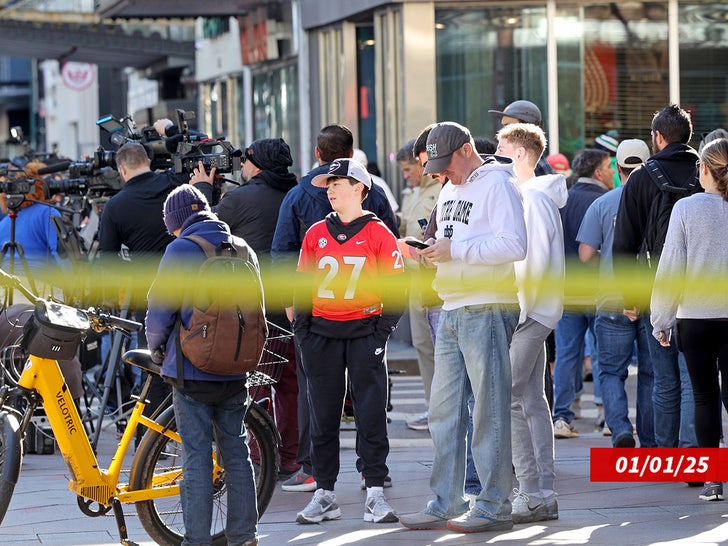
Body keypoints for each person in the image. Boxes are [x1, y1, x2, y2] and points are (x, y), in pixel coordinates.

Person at [399, 121, 526, 533]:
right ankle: (446, 499)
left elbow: (515, 245)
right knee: (445, 411)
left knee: (487, 410)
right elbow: (453, 240)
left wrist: (455, 250)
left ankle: (492, 503)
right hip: (453, 305)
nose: (439, 173)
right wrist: (431, 252)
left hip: (486, 305)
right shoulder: (453, 187)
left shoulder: (497, 185)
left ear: (466, 150)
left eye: (443, 164)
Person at [271, 124, 399, 492]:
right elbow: (389, 243)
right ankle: (371, 469)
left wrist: (294, 308)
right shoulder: (368, 191)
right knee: (369, 396)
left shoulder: (297, 195)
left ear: (317, 153)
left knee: (317, 396)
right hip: (365, 312)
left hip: (321, 312)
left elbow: (282, 252)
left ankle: (312, 468)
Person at [145, 184, 259, 546]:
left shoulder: (180, 249)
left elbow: (160, 311)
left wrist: (157, 350)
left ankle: (197, 541)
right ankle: (244, 538)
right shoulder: (243, 249)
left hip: (192, 373)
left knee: (196, 457)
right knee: (237, 453)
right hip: (236, 369)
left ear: (177, 222)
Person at [292, 158, 404, 524]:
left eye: (338, 182)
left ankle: (374, 490)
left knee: (370, 412)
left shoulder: (379, 233)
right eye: (328, 183)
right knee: (323, 415)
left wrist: (380, 332)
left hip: (364, 331)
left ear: (360, 189)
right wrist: (304, 332)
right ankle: (325, 492)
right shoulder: (315, 233)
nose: (330, 189)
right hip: (322, 333)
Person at [191, 138, 300, 478]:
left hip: (251, 310)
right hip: (294, 304)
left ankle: (255, 456)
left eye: (246, 161)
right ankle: (291, 458)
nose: (241, 166)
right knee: (291, 386)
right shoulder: (297, 194)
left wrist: (204, 192)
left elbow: (203, 232)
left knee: (251, 386)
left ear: (258, 165)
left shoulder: (237, 200)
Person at [613, 104, 699, 450]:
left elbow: (624, 244)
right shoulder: (708, 171)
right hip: (702, 292)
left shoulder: (642, 177)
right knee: (696, 377)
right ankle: (695, 449)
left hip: (655, 290)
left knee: (664, 377)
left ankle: (665, 451)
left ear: (658, 137)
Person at [496, 122, 567, 523]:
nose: (496, 155)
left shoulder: (532, 200)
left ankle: (533, 492)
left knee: (509, 399)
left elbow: (532, 263)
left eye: (502, 147)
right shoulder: (534, 196)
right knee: (531, 401)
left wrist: (519, 314)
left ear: (519, 154)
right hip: (534, 312)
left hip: (528, 313)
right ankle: (541, 491)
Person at [650, 137, 728, 501]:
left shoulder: (687, 208)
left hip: (695, 317)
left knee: (704, 397)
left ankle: (713, 480)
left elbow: (671, 269)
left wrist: (660, 319)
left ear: (706, 170)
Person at [97, 141, 185, 441]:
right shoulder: (175, 183)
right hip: (192, 289)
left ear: (122, 169)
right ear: (148, 160)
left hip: (149, 297)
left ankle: (152, 437)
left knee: (153, 364)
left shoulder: (116, 205)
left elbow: (107, 261)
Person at [577, 139, 656, 449]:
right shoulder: (660, 201)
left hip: (611, 297)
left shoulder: (603, 203)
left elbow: (585, 254)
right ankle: (651, 440)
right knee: (651, 374)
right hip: (652, 298)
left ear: (617, 168)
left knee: (611, 371)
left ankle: (621, 428)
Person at [552, 148, 613, 439]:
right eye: (608, 167)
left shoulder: (562, 199)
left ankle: (562, 415)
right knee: (602, 353)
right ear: (598, 172)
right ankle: (607, 415)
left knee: (566, 354)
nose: (612, 171)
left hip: (566, 289)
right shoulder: (604, 200)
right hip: (599, 289)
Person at [395, 139, 439, 432]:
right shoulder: (413, 195)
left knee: (436, 346)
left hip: (432, 279)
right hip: (413, 276)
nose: (406, 175)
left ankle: (441, 408)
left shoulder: (440, 192)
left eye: (409, 168)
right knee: (423, 346)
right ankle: (431, 405)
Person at [488, 100, 554, 176]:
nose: (503, 131)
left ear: (526, 129)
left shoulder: (537, 168)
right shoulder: (515, 164)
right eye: (503, 126)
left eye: (509, 126)